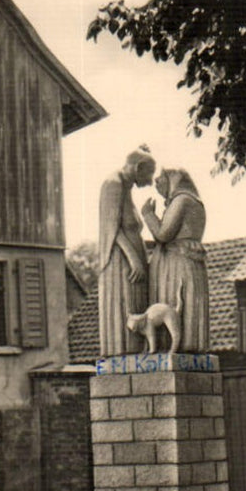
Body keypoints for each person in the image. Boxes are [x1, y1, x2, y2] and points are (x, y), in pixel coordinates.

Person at [142, 167, 208, 352]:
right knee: (184, 303)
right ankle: (187, 344)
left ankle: (177, 346)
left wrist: (148, 214)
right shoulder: (194, 201)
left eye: (160, 181)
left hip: (176, 262)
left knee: (175, 302)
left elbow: (163, 234)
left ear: (172, 180)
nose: (158, 186)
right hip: (187, 259)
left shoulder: (182, 201)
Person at [97, 146, 155, 356]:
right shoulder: (113, 184)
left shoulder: (126, 187)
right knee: (126, 308)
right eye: (149, 174)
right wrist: (134, 259)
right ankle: (123, 353)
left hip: (132, 260)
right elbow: (111, 228)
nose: (150, 181)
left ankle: (137, 350)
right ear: (138, 168)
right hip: (121, 263)